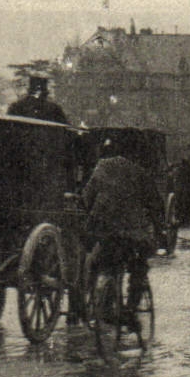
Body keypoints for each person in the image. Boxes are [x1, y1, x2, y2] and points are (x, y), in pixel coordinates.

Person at [82, 137, 165, 324]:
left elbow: (87, 197)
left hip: (104, 230)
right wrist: (159, 230)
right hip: (133, 234)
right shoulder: (140, 173)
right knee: (139, 269)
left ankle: (103, 301)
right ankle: (130, 310)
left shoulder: (101, 167)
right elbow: (155, 204)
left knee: (105, 263)